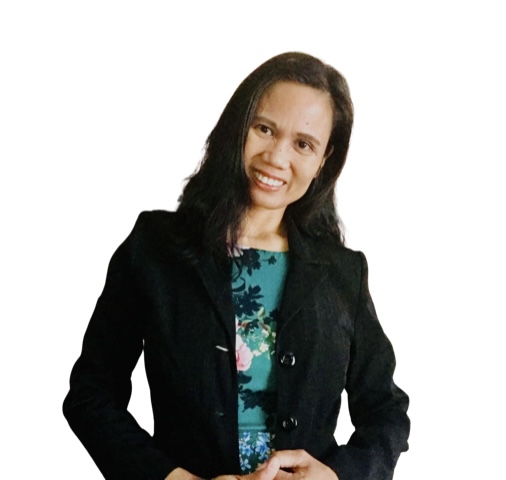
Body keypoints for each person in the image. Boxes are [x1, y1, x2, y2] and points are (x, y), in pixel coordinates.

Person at [63, 52, 410, 480]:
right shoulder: (155, 249)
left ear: (324, 160)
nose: (277, 156)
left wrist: (338, 475)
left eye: (303, 144)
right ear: (237, 126)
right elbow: (91, 394)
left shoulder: (342, 273)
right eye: (264, 129)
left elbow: (386, 412)